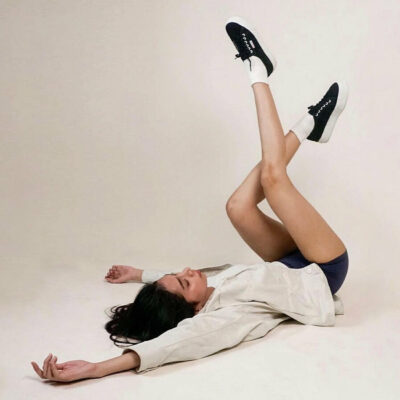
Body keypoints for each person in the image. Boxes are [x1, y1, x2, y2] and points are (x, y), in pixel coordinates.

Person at [31, 16, 349, 382]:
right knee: (274, 180)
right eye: (185, 283)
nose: (187, 271)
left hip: (289, 261)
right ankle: (257, 69)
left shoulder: (202, 290)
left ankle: (312, 121)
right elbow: (179, 343)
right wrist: (97, 368)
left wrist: (140, 274)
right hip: (323, 271)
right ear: (196, 309)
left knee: (236, 206)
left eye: (175, 274)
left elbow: (173, 283)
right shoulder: (226, 317)